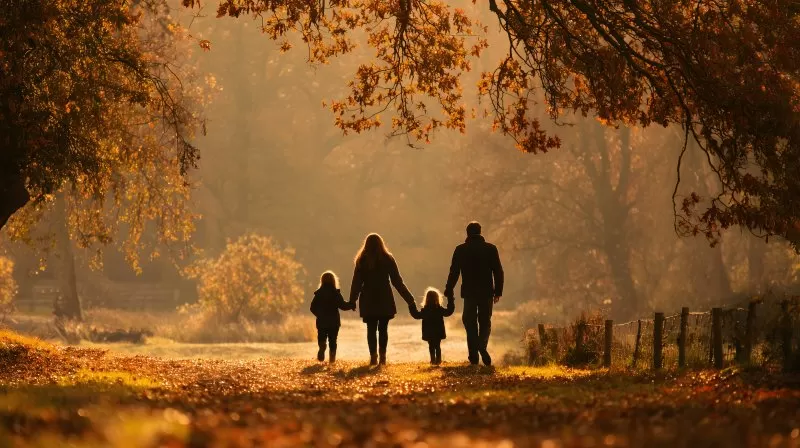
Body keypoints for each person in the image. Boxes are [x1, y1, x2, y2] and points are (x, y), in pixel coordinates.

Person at [349, 233, 416, 365]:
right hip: (384, 297)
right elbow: (397, 281)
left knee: (371, 329)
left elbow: (356, 282)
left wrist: (352, 300)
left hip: (368, 298)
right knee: (383, 329)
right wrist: (409, 299)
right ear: (381, 244)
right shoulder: (387, 259)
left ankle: (373, 356)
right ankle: (383, 357)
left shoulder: (362, 260)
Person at [444, 221, 504, 366]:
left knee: (469, 322)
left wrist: (449, 288)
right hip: (487, 292)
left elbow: (454, 272)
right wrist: (498, 291)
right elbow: (498, 271)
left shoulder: (460, 250)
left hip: (469, 293)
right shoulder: (491, 249)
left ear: (467, 233)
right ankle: (481, 347)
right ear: (480, 231)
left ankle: (474, 356)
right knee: (485, 321)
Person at [310, 271, 355, 363]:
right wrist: (351, 305)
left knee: (321, 336)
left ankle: (322, 346)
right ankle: (332, 359)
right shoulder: (335, 293)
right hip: (334, 321)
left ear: (322, 281)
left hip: (322, 321)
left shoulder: (318, 294)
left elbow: (312, 307)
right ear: (334, 281)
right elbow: (343, 306)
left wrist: (319, 315)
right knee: (333, 340)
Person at [408, 287, 455, 365]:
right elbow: (449, 311)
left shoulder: (425, 311)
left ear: (426, 299)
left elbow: (416, 315)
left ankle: (433, 361)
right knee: (437, 346)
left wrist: (411, 304)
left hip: (428, 333)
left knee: (431, 346)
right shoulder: (439, 309)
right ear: (437, 298)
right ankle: (438, 360)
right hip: (438, 332)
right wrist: (451, 299)